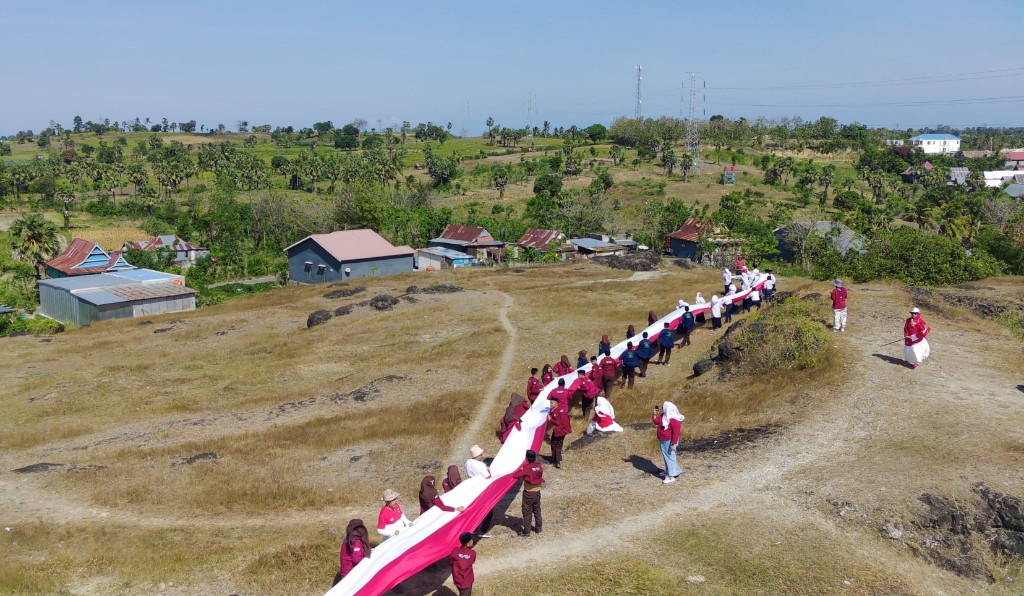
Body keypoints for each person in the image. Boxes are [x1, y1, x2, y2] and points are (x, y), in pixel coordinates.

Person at [513, 450, 544, 536]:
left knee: (527, 512)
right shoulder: (539, 466)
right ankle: (538, 528)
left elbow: (515, 475)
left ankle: (527, 531)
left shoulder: (526, 468)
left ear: (526, 458)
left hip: (528, 493)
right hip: (537, 492)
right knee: (537, 510)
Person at [333, 518, 372, 586]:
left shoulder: (349, 538)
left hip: (345, 569)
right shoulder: (356, 542)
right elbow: (356, 560)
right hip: (352, 572)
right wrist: (367, 558)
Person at [653, 402, 684, 484]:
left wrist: (673, 443)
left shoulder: (674, 420)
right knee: (666, 456)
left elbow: (676, 433)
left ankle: (671, 476)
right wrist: (654, 414)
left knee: (670, 457)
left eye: (664, 407)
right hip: (663, 440)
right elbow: (656, 422)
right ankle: (669, 471)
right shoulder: (664, 416)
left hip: (669, 441)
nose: (663, 408)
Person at [547, 391, 571, 468]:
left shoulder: (556, 412)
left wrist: (550, 419)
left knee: (554, 444)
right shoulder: (561, 409)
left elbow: (557, 422)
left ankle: (556, 460)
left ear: (556, 404)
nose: (550, 405)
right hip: (564, 430)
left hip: (559, 430)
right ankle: (557, 459)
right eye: (550, 403)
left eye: (552, 403)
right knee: (559, 444)